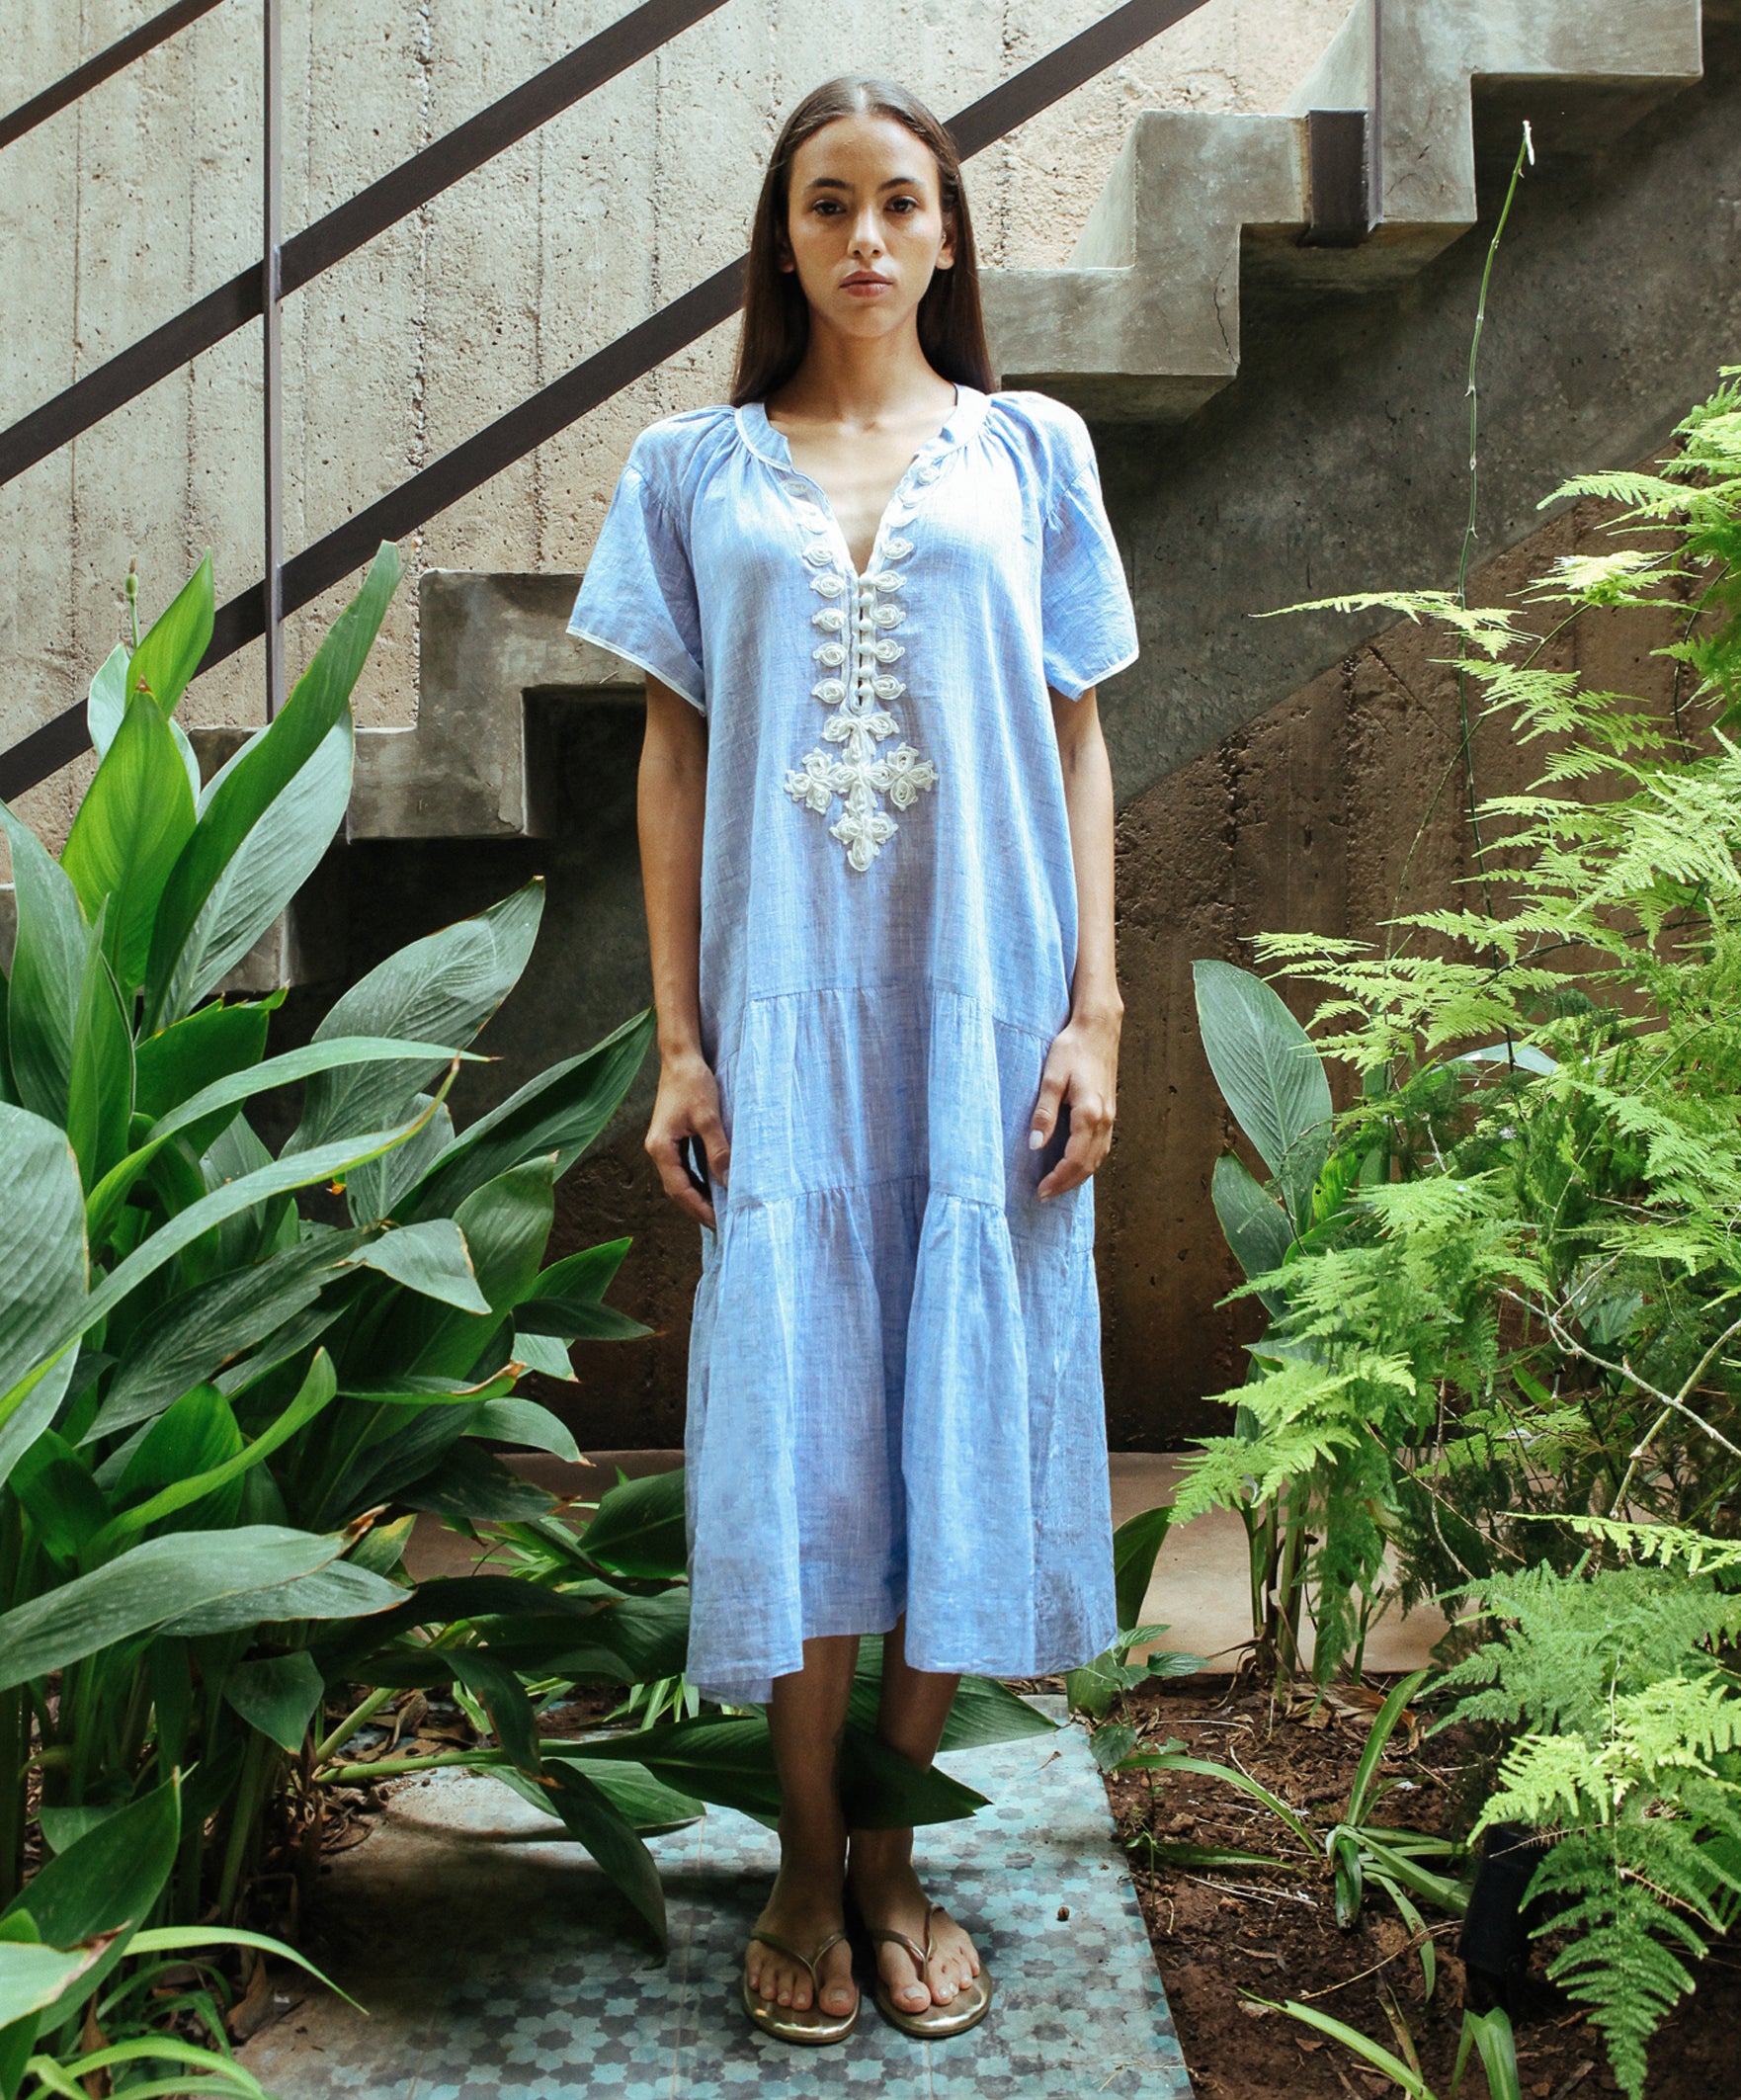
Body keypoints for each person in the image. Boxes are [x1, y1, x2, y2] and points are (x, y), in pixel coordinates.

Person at [565, 71, 1137, 2048]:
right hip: (789, 1022)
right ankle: (808, 1855)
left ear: (948, 233)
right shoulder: (690, 472)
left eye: (901, 202)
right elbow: (670, 753)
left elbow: (1073, 736)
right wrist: (678, 1042)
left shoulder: (1029, 453)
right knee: (809, 1404)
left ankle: (896, 1852)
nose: (868, 238)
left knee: (957, 1407)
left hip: (984, 1008)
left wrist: (1095, 1008)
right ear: (783, 238)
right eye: (828, 204)